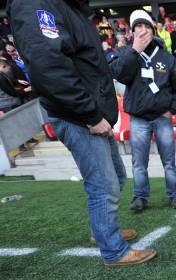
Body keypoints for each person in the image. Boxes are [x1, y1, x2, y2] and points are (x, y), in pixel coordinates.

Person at [8, 0, 155, 266]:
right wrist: (89, 114)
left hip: (89, 113)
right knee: (104, 184)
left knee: (116, 178)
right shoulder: (34, 4)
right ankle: (113, 250)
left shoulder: (64, 7)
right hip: (78, 116)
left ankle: (103, 232)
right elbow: (49, 67)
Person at [110, 10, 176, 212]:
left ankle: (174, 195)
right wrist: (134, 51)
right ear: (132, 31)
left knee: (169, 161)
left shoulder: (166, 57)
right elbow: (119, 74)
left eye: (146, 26)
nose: (143, 31)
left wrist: (171, 110)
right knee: (139, 163)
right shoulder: (126, 52)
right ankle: (140, 197)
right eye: (138, 27)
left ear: (153, 30)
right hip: (138, 118)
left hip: (161, 117)